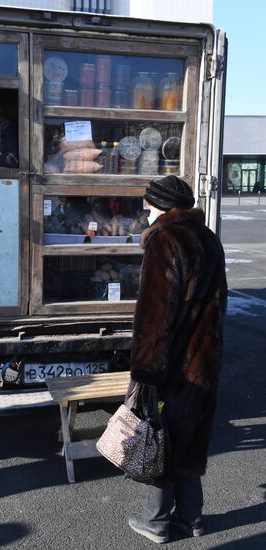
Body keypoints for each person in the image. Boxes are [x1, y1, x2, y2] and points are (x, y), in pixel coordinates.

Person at [128, 176, 228, 544]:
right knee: (189, 435)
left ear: (160, 205)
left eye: (148, 202)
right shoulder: (209, 239)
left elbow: (155, 315)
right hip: (204, 356)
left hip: (171, 363)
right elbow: (219, 302)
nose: (145, 208)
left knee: (160, 436)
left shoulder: (163, 241)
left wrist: (144, 371)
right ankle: (191, 518)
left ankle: (154, 521)